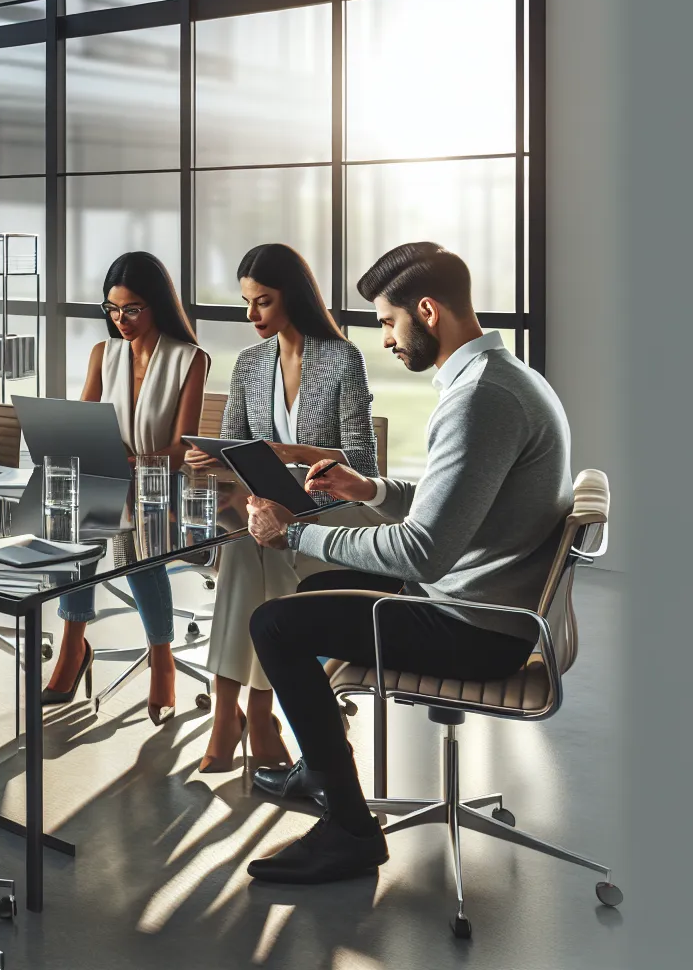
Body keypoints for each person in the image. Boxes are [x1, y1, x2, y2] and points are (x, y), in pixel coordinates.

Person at [241, 242, 572, 885]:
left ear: (427, 310)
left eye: (389, 322)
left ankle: (349, 831)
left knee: (275, 625)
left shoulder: (480, 399)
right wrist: (370, 491)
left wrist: (295, 534)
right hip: (482, 600)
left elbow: (424, 549)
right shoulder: (504, 378)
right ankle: (321, 763)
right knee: (327, 587)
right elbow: (459, 506)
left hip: (476, 626)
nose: (386, 340)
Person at [182, 243, 379, 773]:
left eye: (262, 302)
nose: (251, 316)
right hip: (270, 512)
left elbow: (364, 459)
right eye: (246, 302)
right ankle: (247, 712)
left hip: (334, 512)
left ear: (292, 295)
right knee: (254, 543)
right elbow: (234, 450)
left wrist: (291, 453)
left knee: (253, 547)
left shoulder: (341, 359)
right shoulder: (249, 365)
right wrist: (212, 458)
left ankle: (242, 715)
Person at [39, 252, 209, 721]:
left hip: (160, 484)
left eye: (132, 308)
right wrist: (97, 452)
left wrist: (136, 462)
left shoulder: (189, 359)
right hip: (109, 477)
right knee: (74, 520)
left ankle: (162, 659)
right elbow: (83, 421)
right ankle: (74, 644)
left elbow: (180, 446)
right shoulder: (104, 353)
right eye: (112, 309)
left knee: (137, 545)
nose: (121, 319)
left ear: (156, 304)